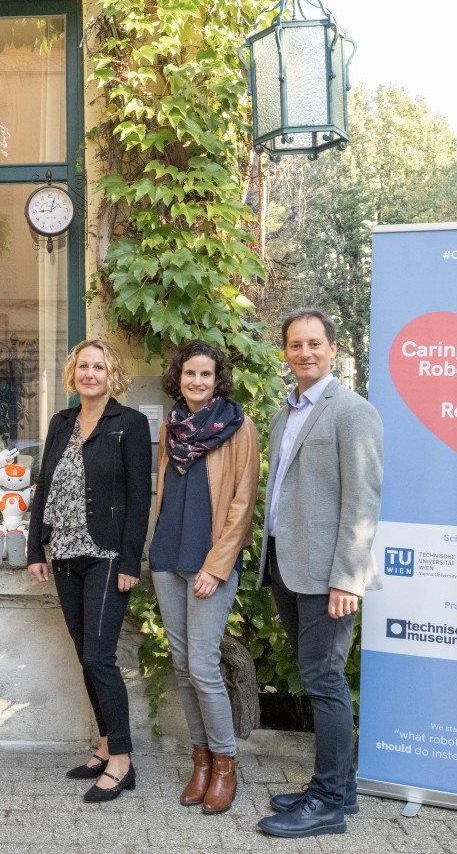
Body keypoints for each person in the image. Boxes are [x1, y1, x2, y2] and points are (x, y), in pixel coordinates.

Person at [255, 308, 383, 840]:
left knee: (325, 681)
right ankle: (341, 789)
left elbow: (362, 499)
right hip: (289, 564)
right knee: (318, 676)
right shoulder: (286, 413)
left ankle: (328, 803)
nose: (304, 353)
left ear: (332, 348)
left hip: (330, 573)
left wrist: (348, 578)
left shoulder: (352, 411)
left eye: (314, 343)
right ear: (285, 353)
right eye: (294, 345)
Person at [27, 339, 152, 803]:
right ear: (72, 373)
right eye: (84, 366)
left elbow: (141, 498)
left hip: (105, 555)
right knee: (86, 656)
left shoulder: (130, 424)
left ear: (111, 373)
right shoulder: (61, 423)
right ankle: (104, 742)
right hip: (64, 553)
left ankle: (122, 759)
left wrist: (129, 560)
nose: (90, 374)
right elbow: (43, 489)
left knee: (100, 658)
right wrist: (35, 548)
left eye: (99, 367)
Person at [149, 341, 260, 815]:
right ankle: (200, 760)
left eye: (206, 375)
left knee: (203, 668)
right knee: (180, 665)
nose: (197, 382)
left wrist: (217, 566)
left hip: (209, 562)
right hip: (167, 557)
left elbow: (242, 501)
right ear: (180, 377)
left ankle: (225, 764)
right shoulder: (171, 427)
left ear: (218, 380)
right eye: (190, 373)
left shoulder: (238, 426)